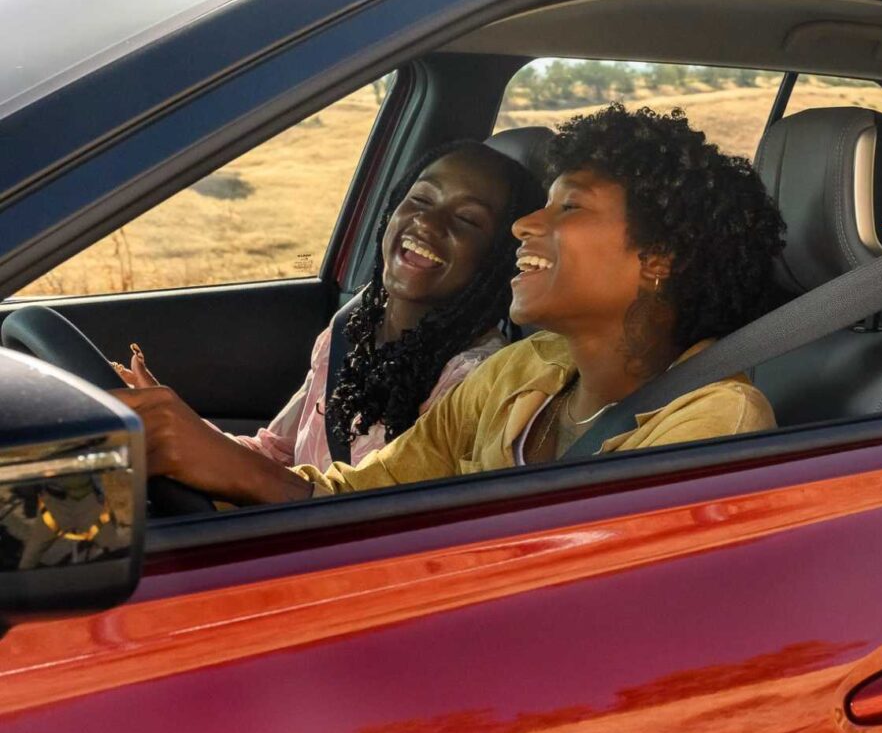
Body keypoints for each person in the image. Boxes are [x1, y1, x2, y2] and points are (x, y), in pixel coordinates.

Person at [114, 104, 785, 504]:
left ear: (658, 258)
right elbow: (370, 497)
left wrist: (226, 467)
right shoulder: (523, 372)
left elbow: (579, 585)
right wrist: (212, 460)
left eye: (568, 207)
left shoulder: (713, 419)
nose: (525, 225)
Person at [114, 140, 544, 473]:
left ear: (499, 255)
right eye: (420, 200)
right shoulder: (351, 330)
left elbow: (378, 515)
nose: (428, 223)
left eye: (467, 220)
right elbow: (276, 456)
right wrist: (175, 420)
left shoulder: (473, 380)